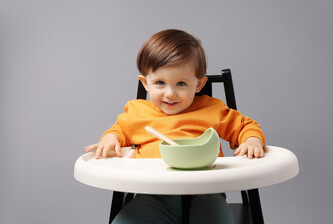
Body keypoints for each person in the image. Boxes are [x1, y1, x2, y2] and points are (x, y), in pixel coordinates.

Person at [85, 29, 265, 224]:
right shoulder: (137, 112)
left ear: (198, 84)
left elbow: (245, 126)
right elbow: (117, 131)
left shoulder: (212, 109)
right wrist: (109, 140)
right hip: (153, 195)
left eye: (181, 83)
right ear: (146, 83)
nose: (170, 93)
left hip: (205, 193)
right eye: (160, 83)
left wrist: (252, 140)